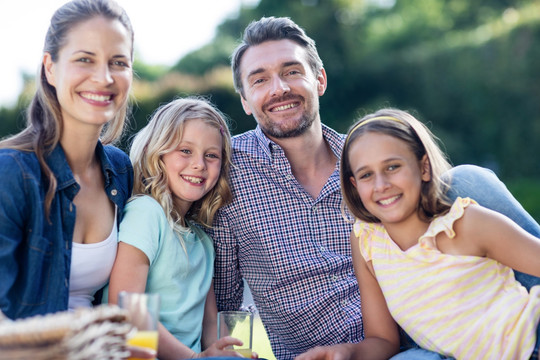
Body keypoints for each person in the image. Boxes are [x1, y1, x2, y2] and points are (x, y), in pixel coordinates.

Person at [208, 16, 540, 359]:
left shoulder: (367, 164)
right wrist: (230, 350)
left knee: (467, 180)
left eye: (292, 71)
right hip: (334, 354)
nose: (279, 88)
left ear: (319, 80)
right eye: (260, 79)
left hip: (422, 336)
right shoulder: (225, 173)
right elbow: (223, 296)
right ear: (245, 101)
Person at [301, 109, 540, 359]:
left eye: (392, 167)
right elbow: (382, 340)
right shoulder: (367, 242)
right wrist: (345, 352)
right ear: (354, 185)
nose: (381, 185)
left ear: (424, 167)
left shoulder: (465, 223)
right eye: (366, 175)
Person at [0, 0, 134, 320]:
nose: (104, 78)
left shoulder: (120, 170)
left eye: (118, 62)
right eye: (85, 59)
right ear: (50, 67)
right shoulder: (11, 174)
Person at [107, 98, 248, 359]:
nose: (199, 164)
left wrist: (225, 354)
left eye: (211, 155)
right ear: (157, 153)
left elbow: (209, 328)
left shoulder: (203, 241)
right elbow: (126, 309)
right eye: (185, 151)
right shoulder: (146, 213)